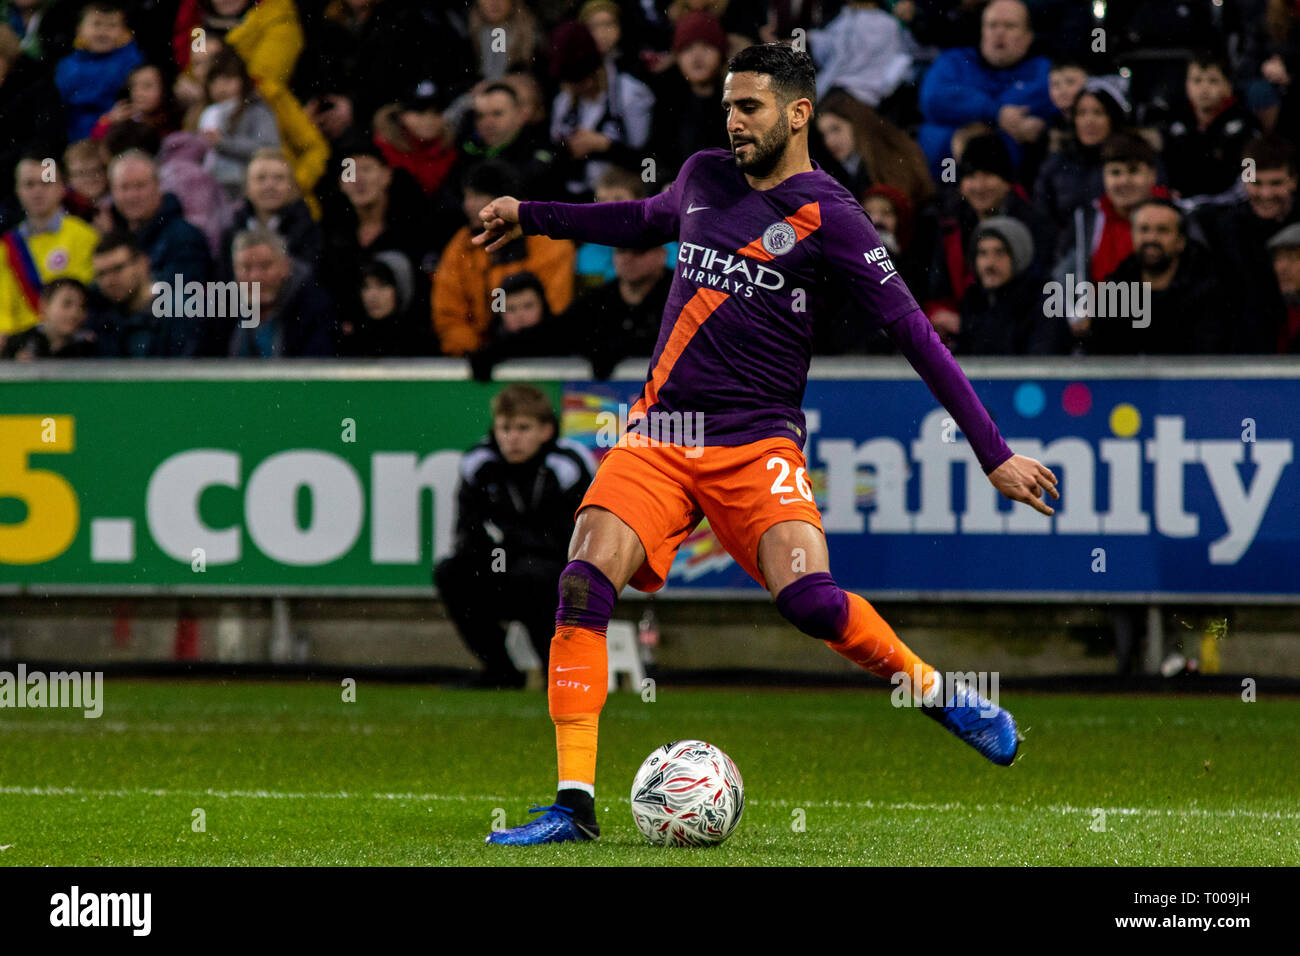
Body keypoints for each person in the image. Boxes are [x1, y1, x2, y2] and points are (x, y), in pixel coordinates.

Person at [474, 44, 1058, 846]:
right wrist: (529, 212)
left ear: (798, 113)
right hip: (660, 433)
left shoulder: (833, 216)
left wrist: (993, 452)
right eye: (727, 106)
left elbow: (916, 334)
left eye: (749, 107)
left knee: (812, 602)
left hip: (758, 445)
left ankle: (940, 694)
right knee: (582, 578)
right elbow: (638, 220)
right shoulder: (704, 176)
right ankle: (573, 804)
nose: (733, 121)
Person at [434, 384, 594, 689]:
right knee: (451, 572)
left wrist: (515, 543)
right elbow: (467, 531)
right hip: (502, 569)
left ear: (546, 431)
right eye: (505, 428)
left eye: (523, 428)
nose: (512, 438)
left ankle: (557, 676)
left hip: (557, 578)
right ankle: (500, 671)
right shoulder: (480, 464)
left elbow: (574, 538)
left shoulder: (568, 464)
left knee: (534, 575)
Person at [0, 154, 98, 338]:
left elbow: (82, 298)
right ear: (18, 191)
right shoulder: (5, 247)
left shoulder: (85, 236)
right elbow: (2, 311)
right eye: (29, 184)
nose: (37, 191)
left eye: (46, 182)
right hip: (21, 349)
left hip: (71, 343)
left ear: (62, 187)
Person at [53, 0, 143, 142]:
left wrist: (109, 119)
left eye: (112, 25)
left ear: (125, 32)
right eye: (97, 24)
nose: (103, 32)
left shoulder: (133, 63)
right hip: (71, 136)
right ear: (79, 29)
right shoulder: (67, 65)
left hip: (115, 133)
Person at [1, 276, 95, 357]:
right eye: (67, 304)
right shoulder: (17, 343)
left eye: (83, 306)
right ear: (44, 305)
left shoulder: (89, 347)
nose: (75, 313)